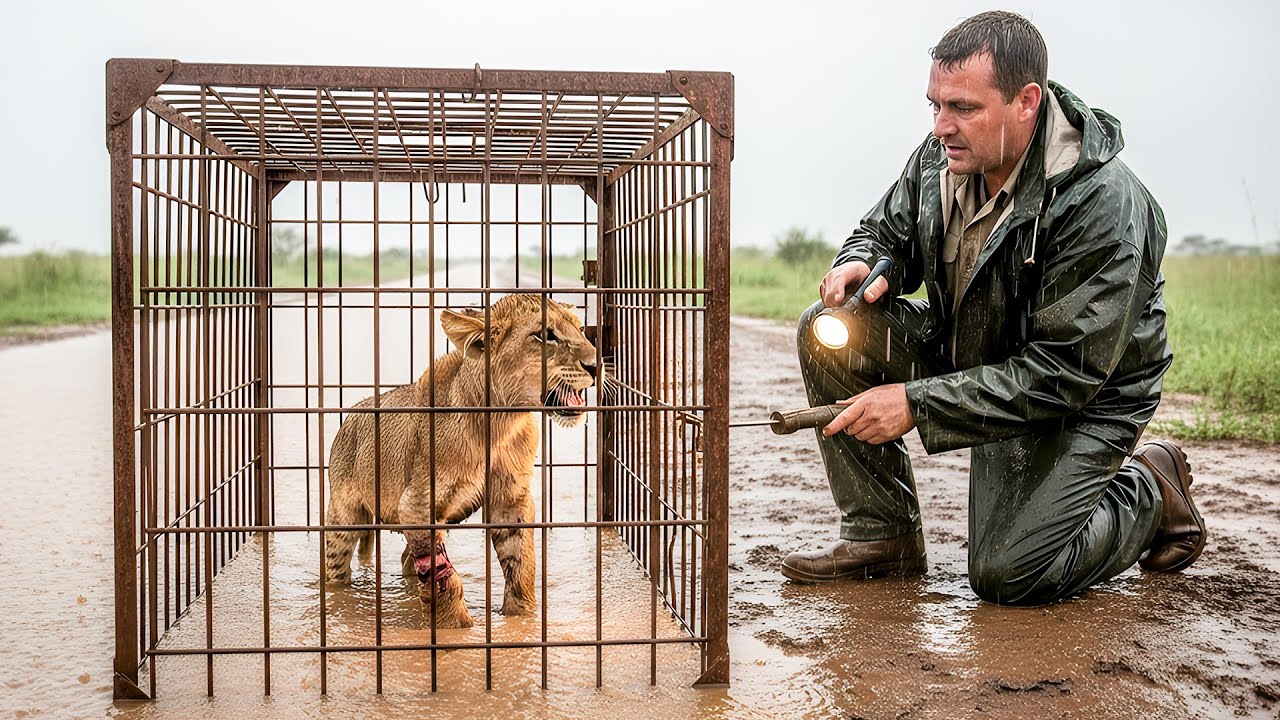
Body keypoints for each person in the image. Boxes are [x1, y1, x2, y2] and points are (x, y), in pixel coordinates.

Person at [781, 10, 1206, 605]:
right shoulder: (941, 156)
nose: (940, 127)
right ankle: (883, 536)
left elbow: (1065, 373)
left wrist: (916, 403)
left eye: (962, 108)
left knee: (1009, 573)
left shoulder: (1103, 203)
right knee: (827, 329)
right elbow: (884, 233)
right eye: (935, 105)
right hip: (975, 350)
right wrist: (862, 261)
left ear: (1026, 101)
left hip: (1080, 396)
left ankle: (1151, 489)